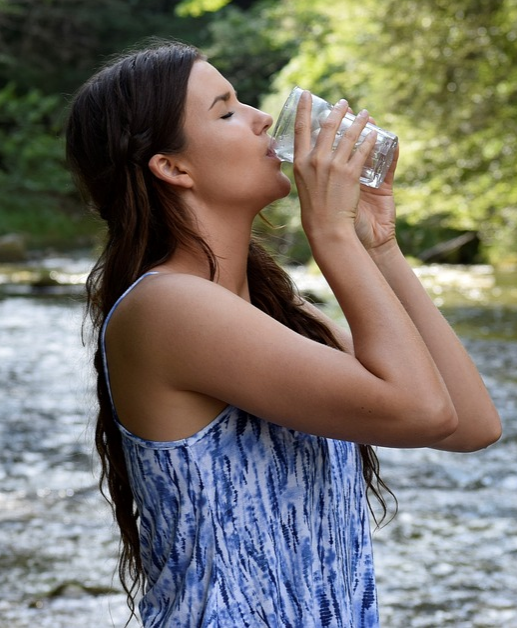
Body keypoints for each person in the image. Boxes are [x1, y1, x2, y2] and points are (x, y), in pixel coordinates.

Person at [65, 40, 501, 628]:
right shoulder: (168, 307)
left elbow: (470, 423)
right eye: (226, 111)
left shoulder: (275, 310)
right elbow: (420, 411)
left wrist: (379, 244)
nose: (263, 119)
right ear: (173, 168)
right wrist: (332, 235)